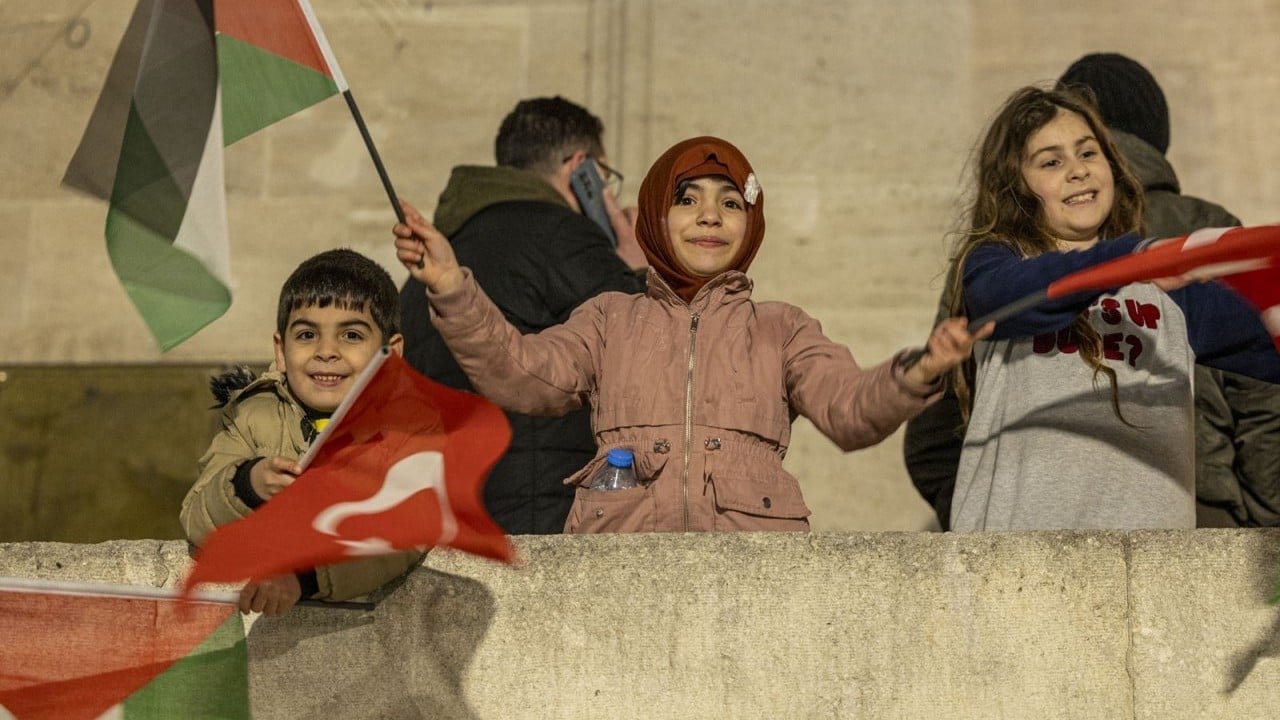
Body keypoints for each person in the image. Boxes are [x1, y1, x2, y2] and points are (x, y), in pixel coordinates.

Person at [394, 135, 989, 533]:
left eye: (730, 203)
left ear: (750, 225)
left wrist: (919, 371)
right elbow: (519, 371)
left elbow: (851, 407)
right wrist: (452, 285)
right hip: (620, 583)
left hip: (750, 586)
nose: (710, 216)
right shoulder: (609, 318)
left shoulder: (781, 328)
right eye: (688, 200)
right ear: (655, 216)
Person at [905, 55, 1280, 530]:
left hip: (1153, 558)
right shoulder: (993, 262)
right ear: (1018, 187)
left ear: (1113, 165)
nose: (1078, 171)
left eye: (1088, 153)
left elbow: (1265, 339)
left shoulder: (1172, 292)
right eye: (1051, 162)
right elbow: (1015, 297)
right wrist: (1133, 257)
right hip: (1018, 556)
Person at [399, 96, 647, 535]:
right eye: (604, 178)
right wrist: (635, 270)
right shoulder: (566, 237)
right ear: (581, 168)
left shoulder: (432, 269)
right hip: (545, 522)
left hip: (446, 522)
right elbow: (648, 343)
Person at [1058, 52, 1280, 528]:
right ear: (1158, 136)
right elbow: (1263, 401)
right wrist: (1258, 525)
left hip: (1042, 519)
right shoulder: (1206, 230)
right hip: (1198, 503)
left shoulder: (1004, 242)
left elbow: (938, 428)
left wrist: (982, 516)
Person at [181, 249, 425, 615]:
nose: (326, 351)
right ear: (280, 351)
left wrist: (304, 576)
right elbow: (196, 518)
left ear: (391, 354)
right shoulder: (253, 416)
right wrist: (248, 484)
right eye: (307, 334)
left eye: (352, 335)